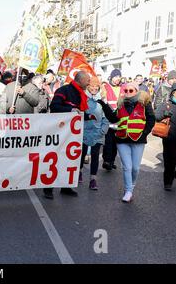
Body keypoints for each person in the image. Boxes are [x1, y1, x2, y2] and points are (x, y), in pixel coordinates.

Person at [98, 82, 155, 203]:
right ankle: (128, 190)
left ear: (136, 91)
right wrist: (104, 104)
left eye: (131, 90)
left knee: (135, 168)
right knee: (127, 167)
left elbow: (151, 119)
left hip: (138, 140)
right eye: (126, 90)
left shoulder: (144, 103)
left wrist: (144, 133)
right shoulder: (121, 103)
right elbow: (113, 118)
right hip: (122, 139)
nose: (128, 93)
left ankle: (131, 187)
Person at [43, 71, 91, 200]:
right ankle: (48, 188)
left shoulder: (82, 94)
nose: (89, 83)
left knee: (71, 160)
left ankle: (66, 187)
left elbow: (79, 112)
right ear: (80, 80)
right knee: (55, 160)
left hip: (74, 134)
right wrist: (70, 110)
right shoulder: (64, 90)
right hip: (60, 132)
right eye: (87, 80)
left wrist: (89, 117)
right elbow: (54, 107)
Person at [80, 77, 110, 191]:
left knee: (95, 156)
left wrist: (103, 131)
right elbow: (79, 115)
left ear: (99, 87)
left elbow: (106, 117)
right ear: (88, 86)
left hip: (98, 133)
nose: (94, 88)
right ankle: (79, 171)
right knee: (82, 154)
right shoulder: (83, 99)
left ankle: (93, 179)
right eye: (91, 86)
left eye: (96, 86)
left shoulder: (102, 100)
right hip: (84, 132)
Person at [155, 83, 176, 191]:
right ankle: (168, 182)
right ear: (172, 94)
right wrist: (165, 113)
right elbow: (157, 116)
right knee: (170, 162)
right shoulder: (166, 104)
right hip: (169, 139)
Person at [102, 69, 124, 171]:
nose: (117, 79)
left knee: (116, 142)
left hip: (119, 118)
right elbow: (103, 100)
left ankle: (111, 161)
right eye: (115, 77)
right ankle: (106, 160)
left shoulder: (123, 88)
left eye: (119, 77)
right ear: (111, 77)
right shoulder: (105, 87)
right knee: (108, 140)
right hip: (108, 117)